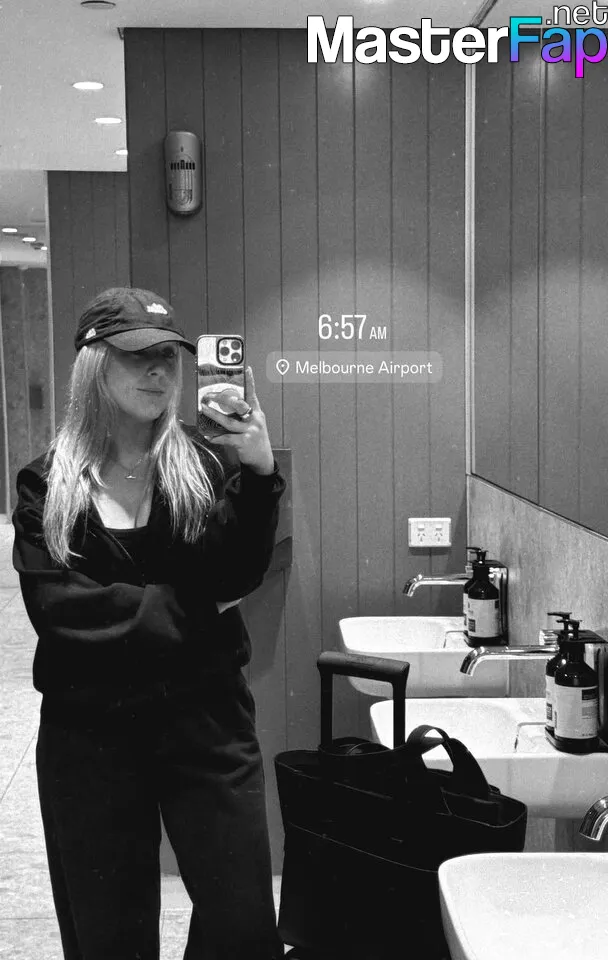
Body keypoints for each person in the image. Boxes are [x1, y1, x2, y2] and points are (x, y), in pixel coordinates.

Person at [11, 287, 286, 960]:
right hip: (90, 735)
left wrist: (259, 473)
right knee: (108, 934)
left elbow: (238, 574)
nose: (158, 370)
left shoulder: (207, 465)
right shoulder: (46, 486)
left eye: (168, 355)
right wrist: (194, 609)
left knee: (244, 925)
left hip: (207, 722)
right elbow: (66, 615)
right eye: (136, 355)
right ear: (93, 364)